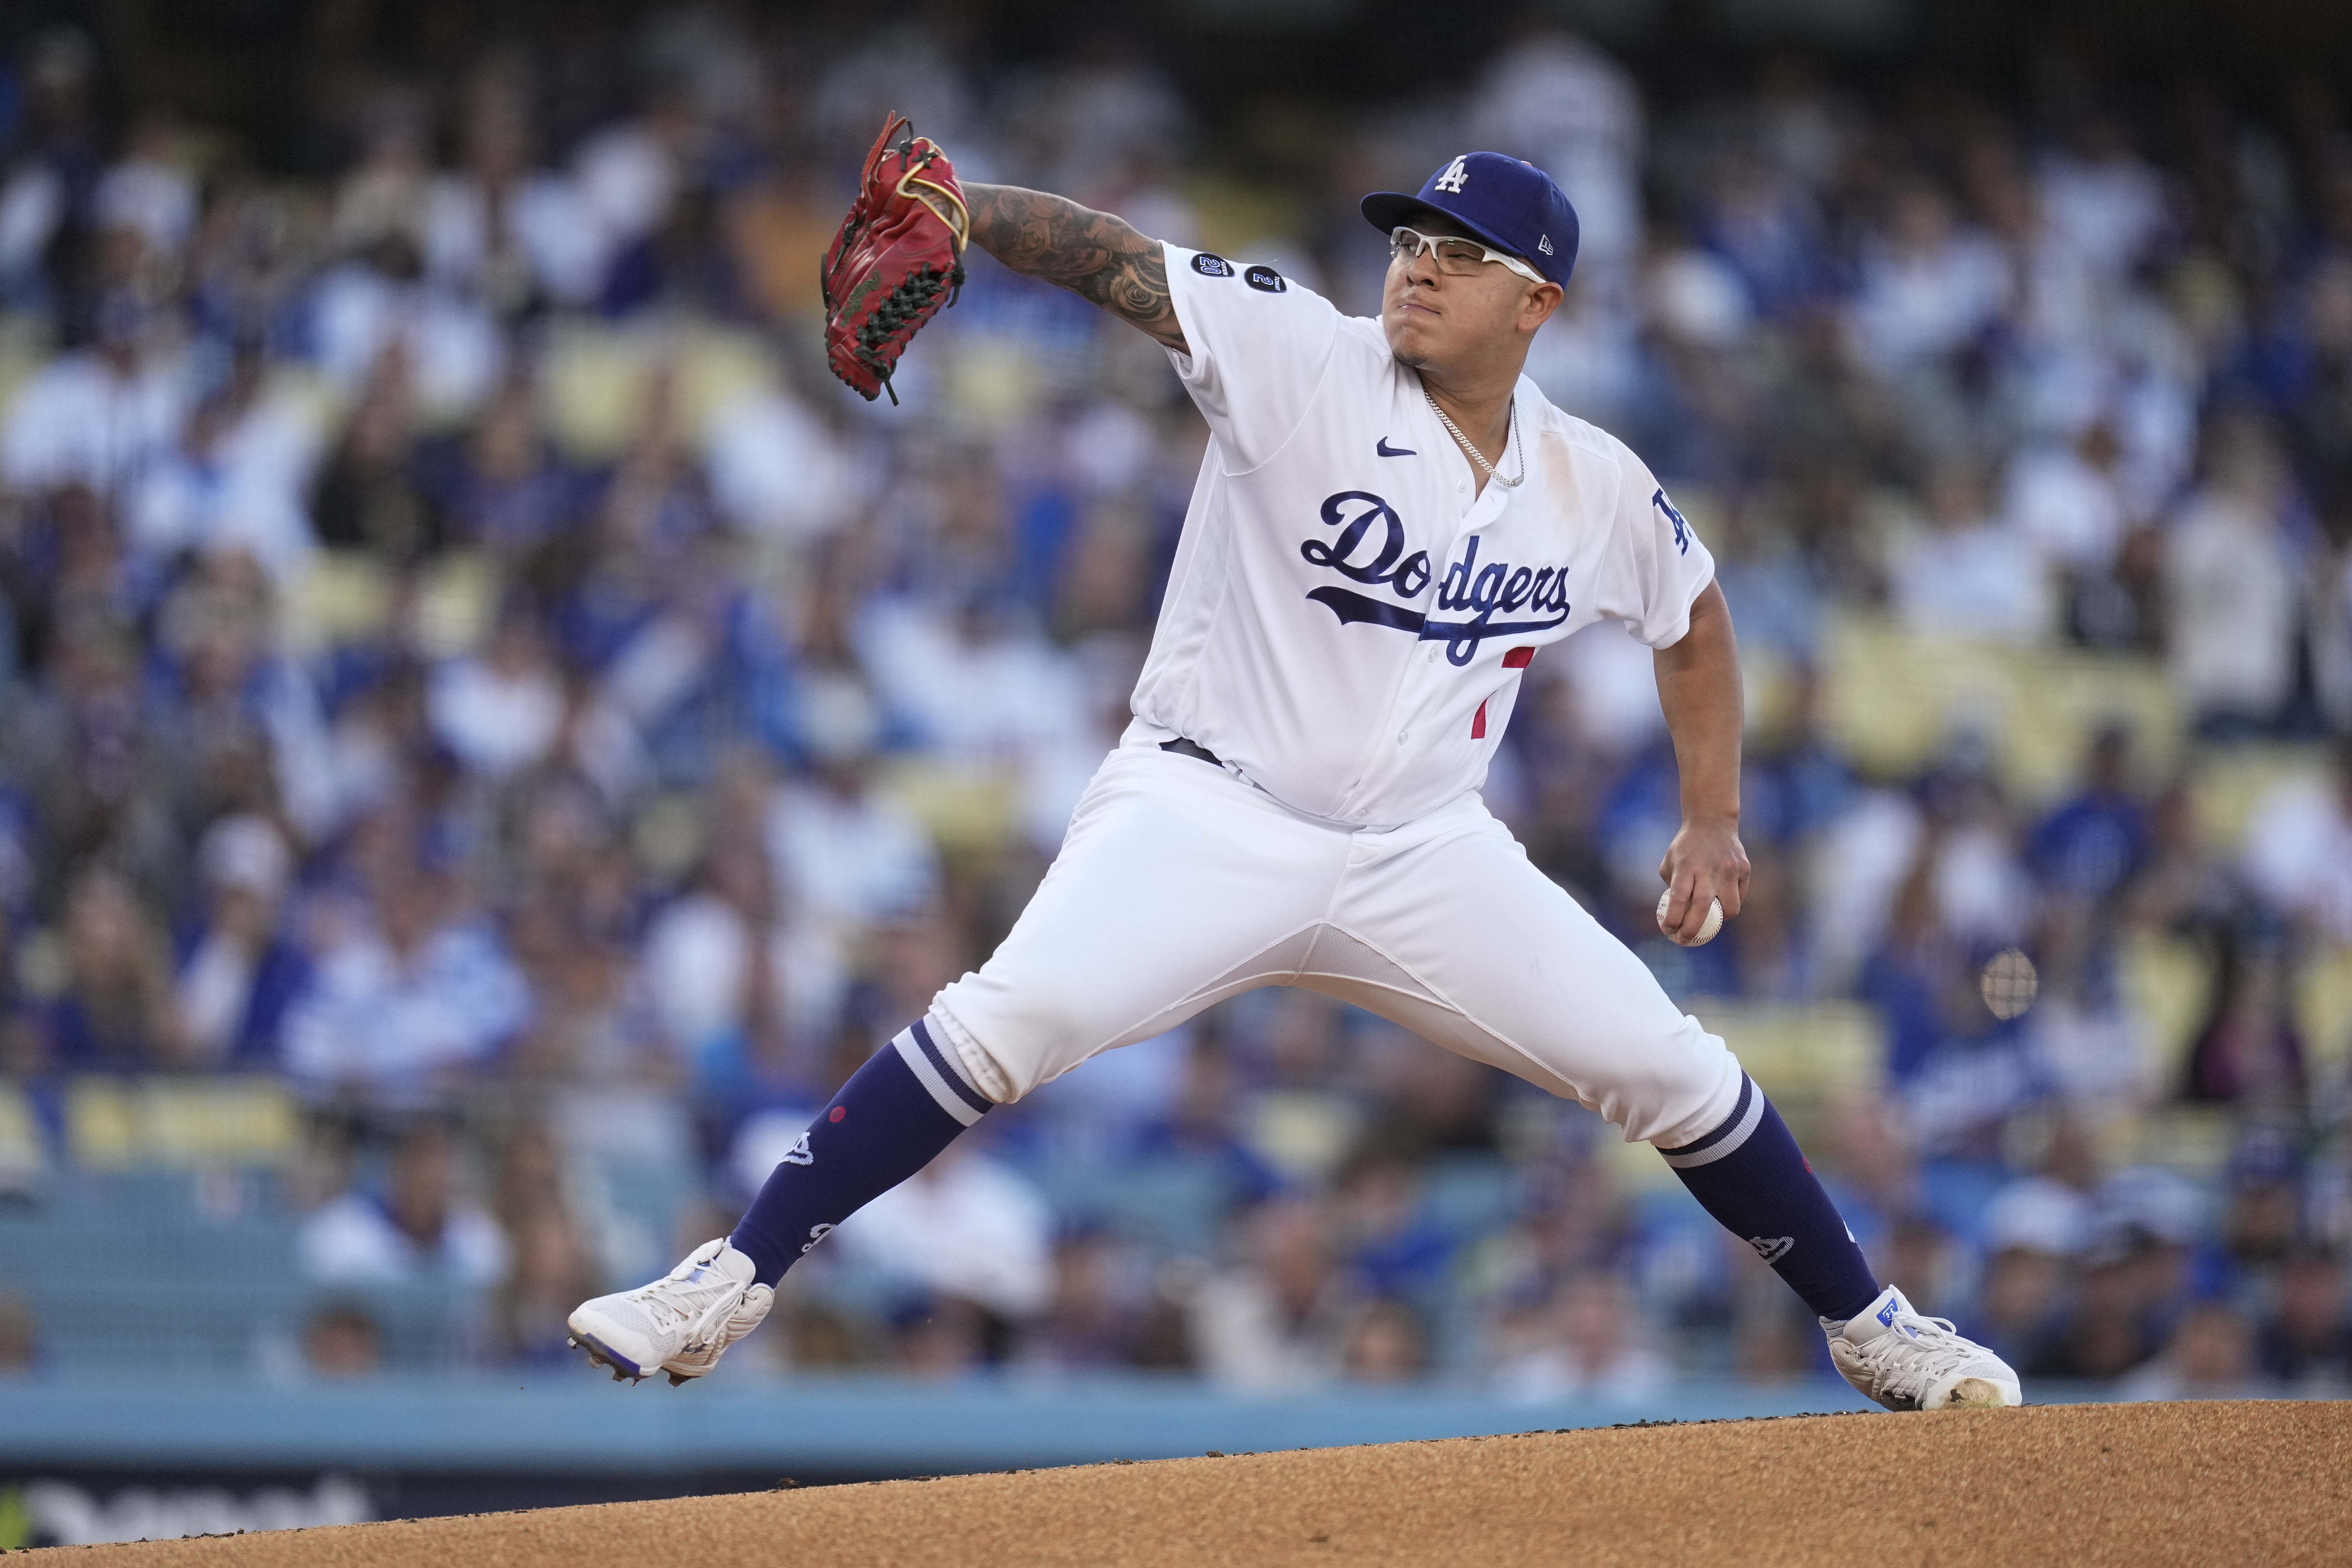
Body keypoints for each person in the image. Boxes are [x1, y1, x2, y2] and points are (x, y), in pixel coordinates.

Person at [568, 146, 2019, 1411]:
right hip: (1209, 807)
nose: (1418, 271)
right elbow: (1120, 264)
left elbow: (1693, 620)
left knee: (1665, 1065)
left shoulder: (1591, 483)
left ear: (1538, 305)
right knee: (1013, 1014)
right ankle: (729, 1277)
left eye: (1462, 258)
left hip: (1419, 852)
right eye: (1408, 243)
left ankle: (1871, 1327)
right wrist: (967, 203)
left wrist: (1713, 814)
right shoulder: (1304, 360)